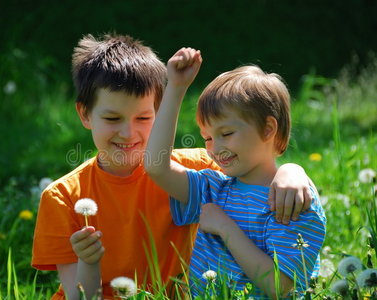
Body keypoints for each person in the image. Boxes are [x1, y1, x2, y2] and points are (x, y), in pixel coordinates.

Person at [32, 34, 318, 300]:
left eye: (143, 118)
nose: (129, 133)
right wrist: (89, 261)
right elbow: (79, 296)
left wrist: (291, 170)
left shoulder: (199, 169)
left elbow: (255, 166)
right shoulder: (62, 197)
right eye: (112, 118)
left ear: (159, 113)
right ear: (85, 114)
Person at [144, 48, 326, 298]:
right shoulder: (213, 189)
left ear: (268, 128)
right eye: (207, 137)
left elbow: (283, 287)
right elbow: (155, 165)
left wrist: (225, 227)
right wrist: (175, 88)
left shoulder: (291, 199)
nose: (215, 148)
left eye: (226, 133)